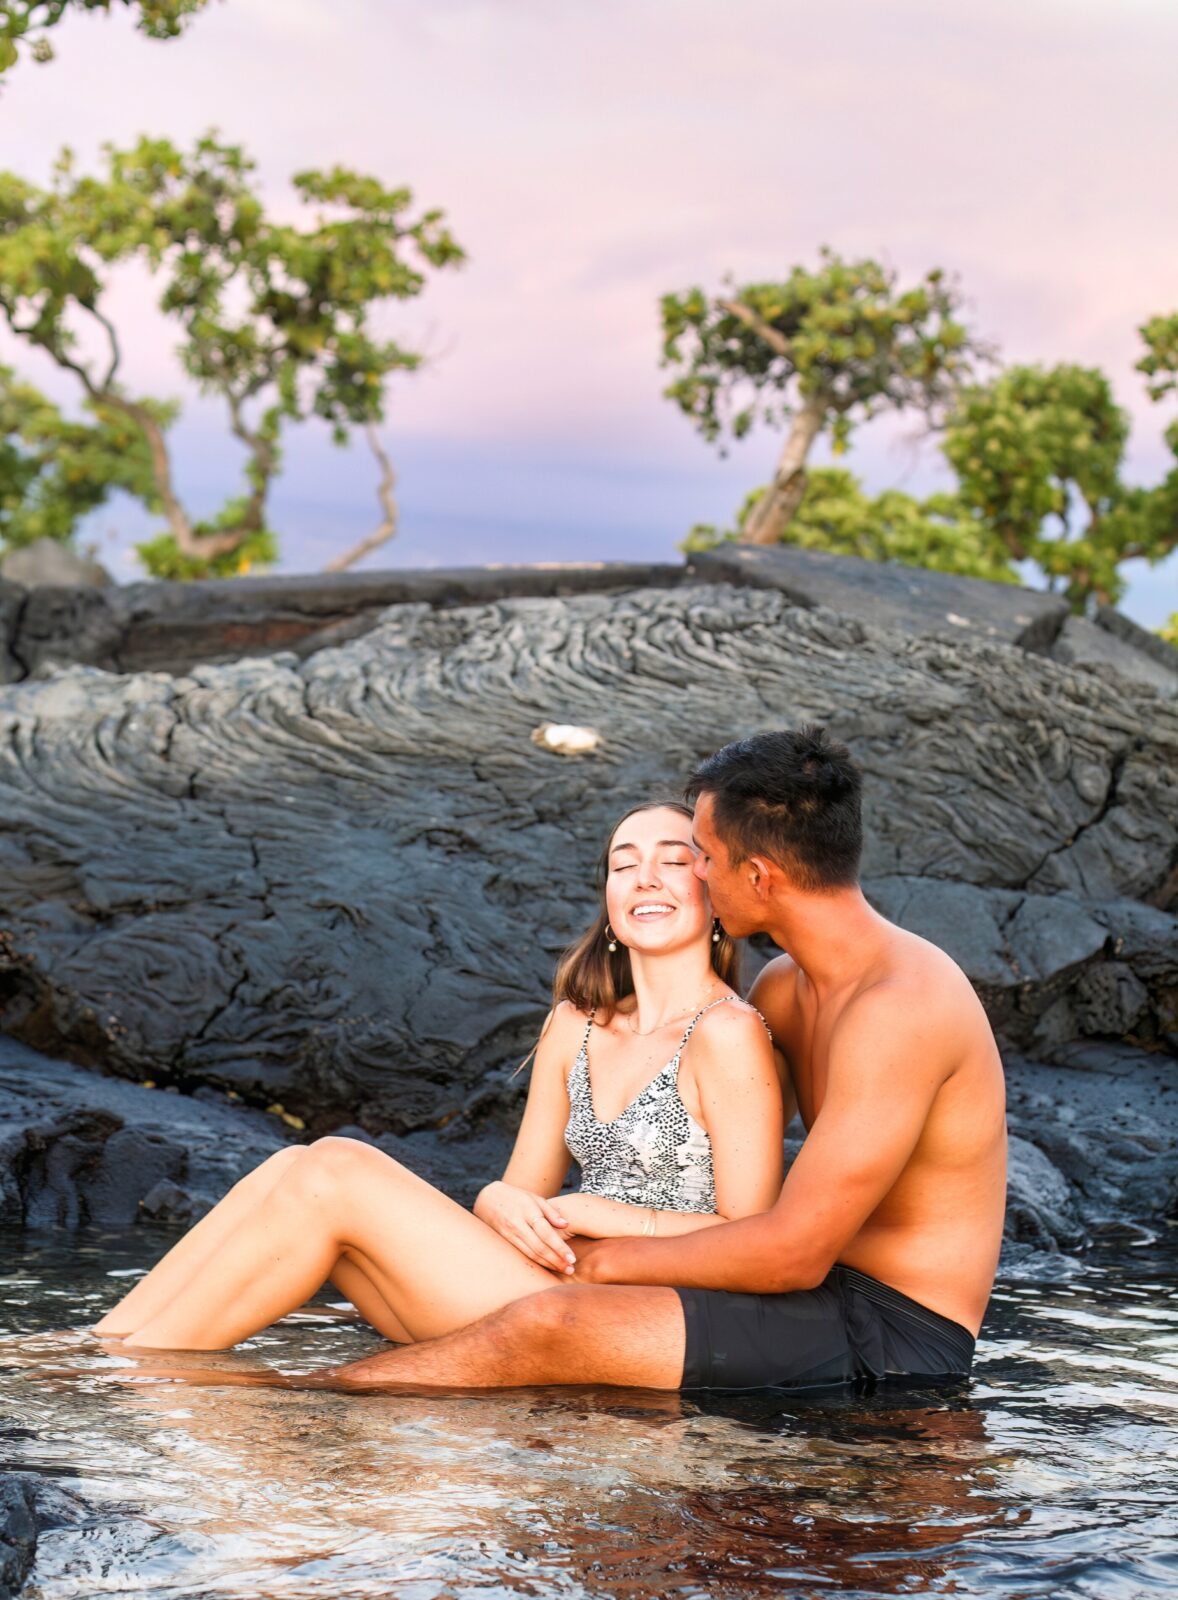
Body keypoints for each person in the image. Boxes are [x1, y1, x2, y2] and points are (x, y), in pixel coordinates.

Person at [298, 725, 1008, 1393]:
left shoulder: (900, 1004)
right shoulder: (785, 989)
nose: (695, 872)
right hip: (809, 1296)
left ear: (758, 876)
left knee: (550, 1322)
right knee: (452, 1281)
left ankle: (298, 1402)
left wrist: (608, 1261)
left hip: (895, 1332)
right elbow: (723, 1162)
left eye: (702, 854)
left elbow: (791, 1251)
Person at [95, 801, 784, 1350]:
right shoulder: (575, 1026)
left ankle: (139, 1376)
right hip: (529, 1281)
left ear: (711, 891)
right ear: (608, 898)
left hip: (626, 1319)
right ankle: (102, 1345)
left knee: (332, 1167)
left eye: (673, 861)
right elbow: (518, 1197)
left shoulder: (727, 1034)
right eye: (623, 865)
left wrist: (599, 1214)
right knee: (291, 1167)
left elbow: (750, 1238)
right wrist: (494, 1201)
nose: (645, 880)